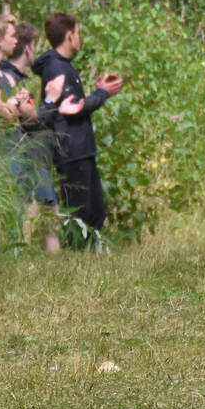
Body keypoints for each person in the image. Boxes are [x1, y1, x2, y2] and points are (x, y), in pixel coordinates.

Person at [0, 15, 59, 251]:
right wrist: (17, 103)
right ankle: (5, 256)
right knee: (8, 205)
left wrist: (17, 103)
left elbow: (23, 109)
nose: (16, 40)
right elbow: (4, 111)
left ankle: (16, 254)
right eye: (12, 36)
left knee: (20, 203)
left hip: (12, 147)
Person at [32, 12, 124, 244]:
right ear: (69, 35)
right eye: (78, 33)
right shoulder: (57, 68)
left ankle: (88, 256)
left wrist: (99, 90)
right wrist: (103, 93)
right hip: (72, 151)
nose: (80, 38)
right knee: (80, 215)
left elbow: (74, 106)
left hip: (80, 149)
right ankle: (77, 257)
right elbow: (72, 107)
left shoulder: (61, 66)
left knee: (95, 212)